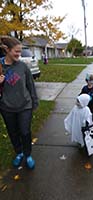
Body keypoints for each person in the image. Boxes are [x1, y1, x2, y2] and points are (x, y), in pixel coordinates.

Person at [0, 36, 38, 169]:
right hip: (6, 107)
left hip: (24, 106)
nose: (19, 54)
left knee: (25, 131)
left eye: (20, 51)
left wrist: (34, 101)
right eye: (16, 51)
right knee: (13, 132)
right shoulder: (0, 66)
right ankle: (19, 152)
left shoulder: (23, 66)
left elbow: (30, 85)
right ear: (7, 50)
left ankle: (28, 155)